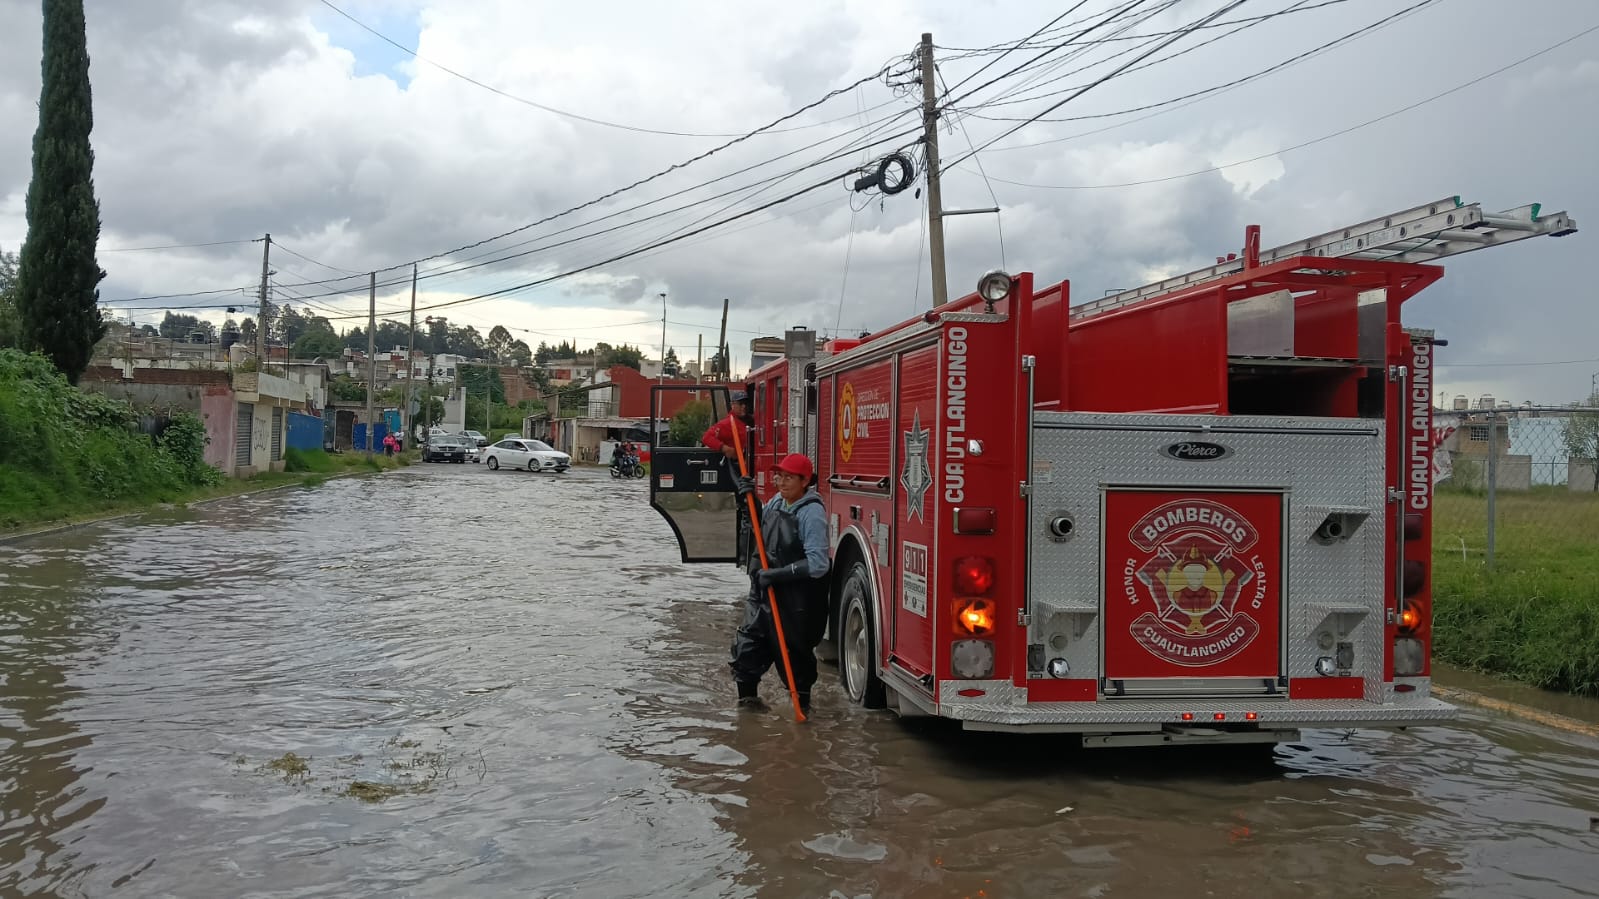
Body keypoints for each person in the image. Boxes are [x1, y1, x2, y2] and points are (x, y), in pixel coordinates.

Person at [729, 452, 830, 713]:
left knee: (795, 661)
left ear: (805, 481)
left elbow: (818, 564)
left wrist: (777, 575)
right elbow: (760, 525)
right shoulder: (777, 502)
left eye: (788, 478)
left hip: (795, 603)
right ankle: (748, 708)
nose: (781, 482)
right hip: (763, 596)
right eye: (779, 476)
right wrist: (748, 500)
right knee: (747, 650)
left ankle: (802, 709)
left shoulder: (812, 514)